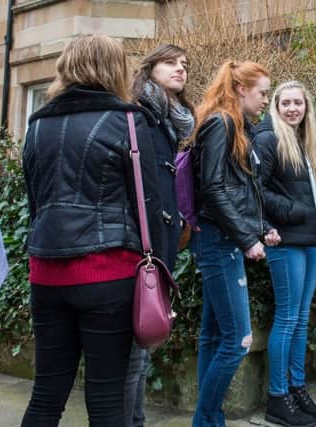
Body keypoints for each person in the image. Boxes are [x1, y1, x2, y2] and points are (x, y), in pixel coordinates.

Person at [21, 35, 165, 426]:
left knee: (46, 394)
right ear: (115, 68)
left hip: (46, 272)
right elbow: (148, 203)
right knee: (105, 399)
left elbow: (35, 202)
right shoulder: (129, 121)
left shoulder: (36, 124)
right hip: (109, 273)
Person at [190, 60, 278, 427]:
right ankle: (207, 420)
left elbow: (240, 190)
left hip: (222, 238)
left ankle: (208, 421)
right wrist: (246, 239)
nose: (265, 100)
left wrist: (261, 227)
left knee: (214, 336)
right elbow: (211, 188)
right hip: (219, 241)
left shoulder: (236, 126)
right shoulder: (221, 123)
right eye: (262, 93)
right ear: (241, 89)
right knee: (238, 340)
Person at [126, 43, 195, 427]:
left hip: (162, 251)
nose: (180, 69)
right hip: (141, 252)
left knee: (145, 349)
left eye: (184, 65)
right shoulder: (139, 116)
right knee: (134, 356)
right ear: (149, 68)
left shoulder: (168, 121)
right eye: (170, 63)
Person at [254, 81, 316, 427]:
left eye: (298, 103)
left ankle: (297, 390)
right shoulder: (269, 139)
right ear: (276, 106)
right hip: (284, 239)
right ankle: (277, 398)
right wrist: (291, 211)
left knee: (300, 319)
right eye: (286, 103)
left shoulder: (305, 143)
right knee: (287, 319)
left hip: (310, 239)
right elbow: (255, 189)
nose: (293, 108)